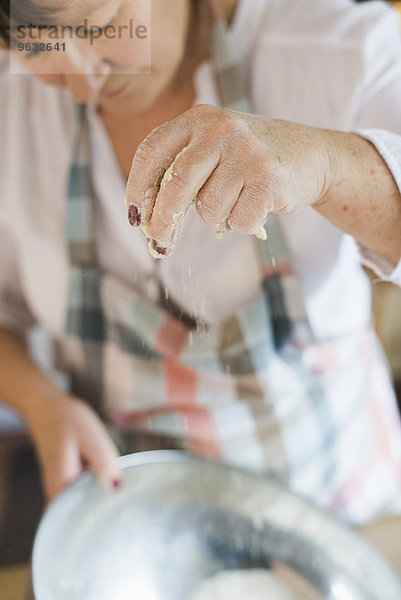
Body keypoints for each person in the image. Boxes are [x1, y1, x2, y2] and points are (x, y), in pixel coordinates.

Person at [0, 0, 400, 527]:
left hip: (342, 512)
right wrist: (42, 403)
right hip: (140, 525)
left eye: (100, 27)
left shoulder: (340, 48)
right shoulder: (13, 109)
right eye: (39, 48)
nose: (81, 83)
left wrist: (326, 164)